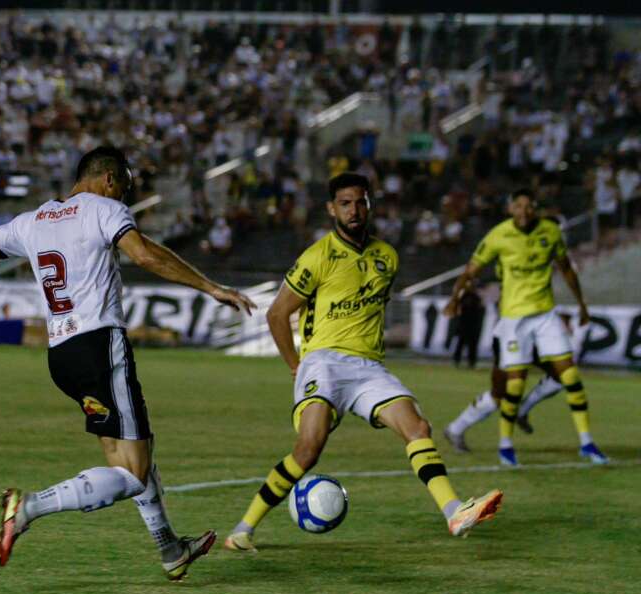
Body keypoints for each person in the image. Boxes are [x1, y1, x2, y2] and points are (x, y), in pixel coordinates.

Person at [0, 146, 255, 580]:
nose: (125, 198)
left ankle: (171, 550)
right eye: (125, 188)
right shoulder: (103, 210)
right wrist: (211, 287)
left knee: (131, 452)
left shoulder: (32, 222)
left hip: (63, 356)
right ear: (109, 179)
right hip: (100, 346)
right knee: (131, 471)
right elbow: (145, 255)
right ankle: (29, 507)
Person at [223, 173, 503, 553]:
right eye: (345, 203)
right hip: (323, 363)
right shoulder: (317, 256)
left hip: (369, 367)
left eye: (360, 202)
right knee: (308, 449)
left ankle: (454, 511)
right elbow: (277, 315)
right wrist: (296, 365)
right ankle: (244, 528)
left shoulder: (387, 257)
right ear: (331, 208)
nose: (354, 210)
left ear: (370, 205)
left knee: (417, 427)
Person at [443, 188, 605, 466]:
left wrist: (582, 305)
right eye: (518, 205)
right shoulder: (499, 235)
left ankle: (541, 420)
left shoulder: (550, 232)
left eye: (530, 206)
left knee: (563, 375)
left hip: (543, 316)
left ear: (536, 209)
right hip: (511, 322)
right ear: (510, 208)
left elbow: (567, 268)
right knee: (502, 392)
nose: (525, 210)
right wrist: (455, 298)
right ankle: (456, 428)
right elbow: (471, 270)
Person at [444, 313, 589, 452]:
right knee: (500, 395)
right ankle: (455, 429)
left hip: (536, 336)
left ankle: (522, 410)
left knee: (562, 376)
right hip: (512, 336)